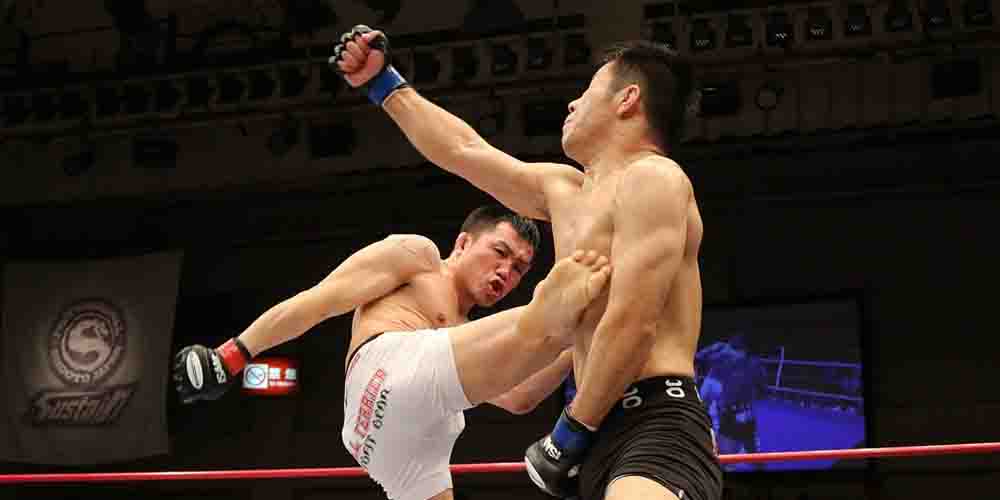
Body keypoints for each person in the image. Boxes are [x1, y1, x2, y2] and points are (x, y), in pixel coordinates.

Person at [332, 25, 722, 500]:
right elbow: (463, 151)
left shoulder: (654, 177)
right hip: (598, 431)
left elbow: (633, 322)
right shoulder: (566, 191)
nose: (572, 105)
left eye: (587, 91)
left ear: (628, 100)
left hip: (654, 420)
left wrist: (571, 429)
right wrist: (384, 85)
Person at [173, 205, 612, 500]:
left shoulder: (466, 340)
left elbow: (519, 397)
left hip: (392, 444)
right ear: (462, 243)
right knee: (550, 316)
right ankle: (595, 290)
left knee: (555, 333)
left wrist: (578, 341)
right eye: (500, 253)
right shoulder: (420, 259)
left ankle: (581, 316)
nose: (506, 271)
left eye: (518, 268)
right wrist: (232, 354)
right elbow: (321, 300)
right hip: (387, 373)